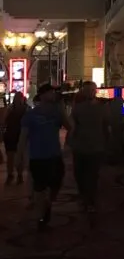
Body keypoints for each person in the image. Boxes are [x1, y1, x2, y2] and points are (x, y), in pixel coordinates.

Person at [19, 84, 70, 229]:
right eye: (50, 92)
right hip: (37, 157)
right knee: (40, 187)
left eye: (54, 92)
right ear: (41, 95)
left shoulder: (57, 113)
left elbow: (70, 127)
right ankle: (42, 216)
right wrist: (20, 156)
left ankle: (48, 203)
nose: (53, 94)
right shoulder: (31, 115)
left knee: (57, 183)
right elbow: (23, 137)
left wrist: (62, 110)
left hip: (54, 155)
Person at [69, 81, 110, 215]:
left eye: (92, 90)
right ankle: (85, 197)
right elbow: (72, 127)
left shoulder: (102, 108)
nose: (90, 92)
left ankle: (89, 200)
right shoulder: (78, 108)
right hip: (81, 145)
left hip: (94, 146)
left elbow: (106, 127)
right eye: (87, 90)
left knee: (92, 175)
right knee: (81, 174)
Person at [4, 92, 28, 185]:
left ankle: (14, 175)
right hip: (16, 135)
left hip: (14, 134)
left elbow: (4, 121)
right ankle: (17, 175)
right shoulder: (24, 109)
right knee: (16, 156)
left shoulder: (12, 108)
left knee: (13, 157)